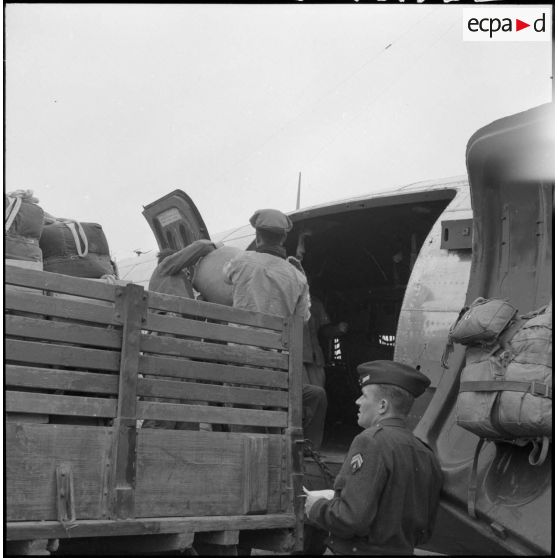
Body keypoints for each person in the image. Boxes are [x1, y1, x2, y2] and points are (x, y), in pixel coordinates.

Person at [304, 360, 443, 555]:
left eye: (364, 395)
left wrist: (315, 507)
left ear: (383, 406)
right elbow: (424, 531)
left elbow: (350, 519)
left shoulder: (371, 441)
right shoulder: (426, 452)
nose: (357, 401)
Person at [223, 208, 327, 449]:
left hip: (242, 361)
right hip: (277, 365)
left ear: (257, 236)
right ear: (284, 238)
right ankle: (295, 453)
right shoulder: (297, 276)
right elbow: (303, 318)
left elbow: (225, 277)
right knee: (307, 398)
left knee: (249, 417)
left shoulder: (241, 261)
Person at [143, 239, 221, 431]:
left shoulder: (181, 291)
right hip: (167, 344)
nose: (187, 273)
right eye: (184, 268)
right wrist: (214, 248)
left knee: (187, 415)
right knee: (164, 408)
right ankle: (147, 448)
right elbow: (199, 246)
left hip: (184, 349)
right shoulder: (164, 268)